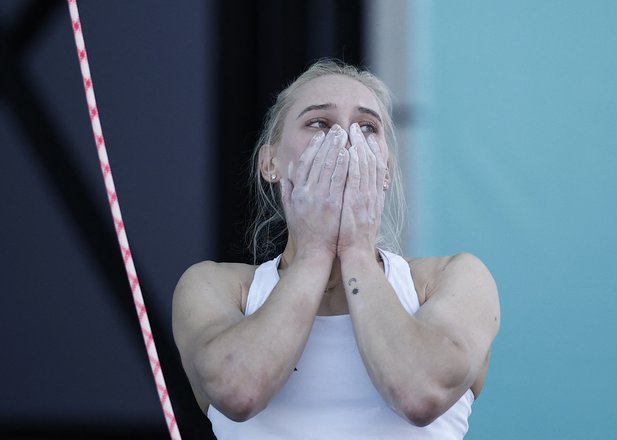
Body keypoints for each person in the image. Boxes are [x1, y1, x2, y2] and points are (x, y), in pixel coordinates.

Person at [172, 59, 500, 439]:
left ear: (386, 170)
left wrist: (356, 250)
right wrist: (314, 252)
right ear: (271, 162)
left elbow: (420, 395)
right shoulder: (215, 287)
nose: (345, 140)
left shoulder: (454, 278)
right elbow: (238, 391)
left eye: (366, 128)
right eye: (319, 124)